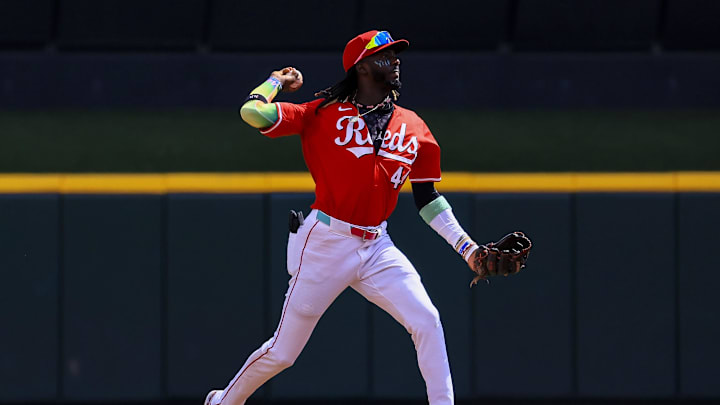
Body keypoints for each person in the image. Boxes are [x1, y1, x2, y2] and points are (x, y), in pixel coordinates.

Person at [205, 30, 486, 405]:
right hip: (325, 242)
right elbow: (252, 112)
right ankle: (224, 402)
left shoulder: (414, 126)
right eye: (386, 55)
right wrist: (276, 81)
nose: (396, 61)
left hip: (377, 245)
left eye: (396, 55)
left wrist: (468, 250)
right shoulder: (321, 111)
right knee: (283, 353)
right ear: (362, 66)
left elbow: (428, 198)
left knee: (427, 321)